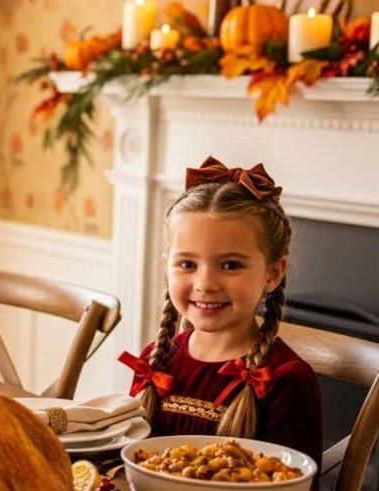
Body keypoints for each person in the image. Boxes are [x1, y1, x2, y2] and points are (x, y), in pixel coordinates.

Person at [119, 156, 322, 469]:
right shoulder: (154, 360)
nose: (206, 284)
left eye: (231, 265)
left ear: (272, 273)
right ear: (166, 268)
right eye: (187, 264)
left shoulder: (286, 380)